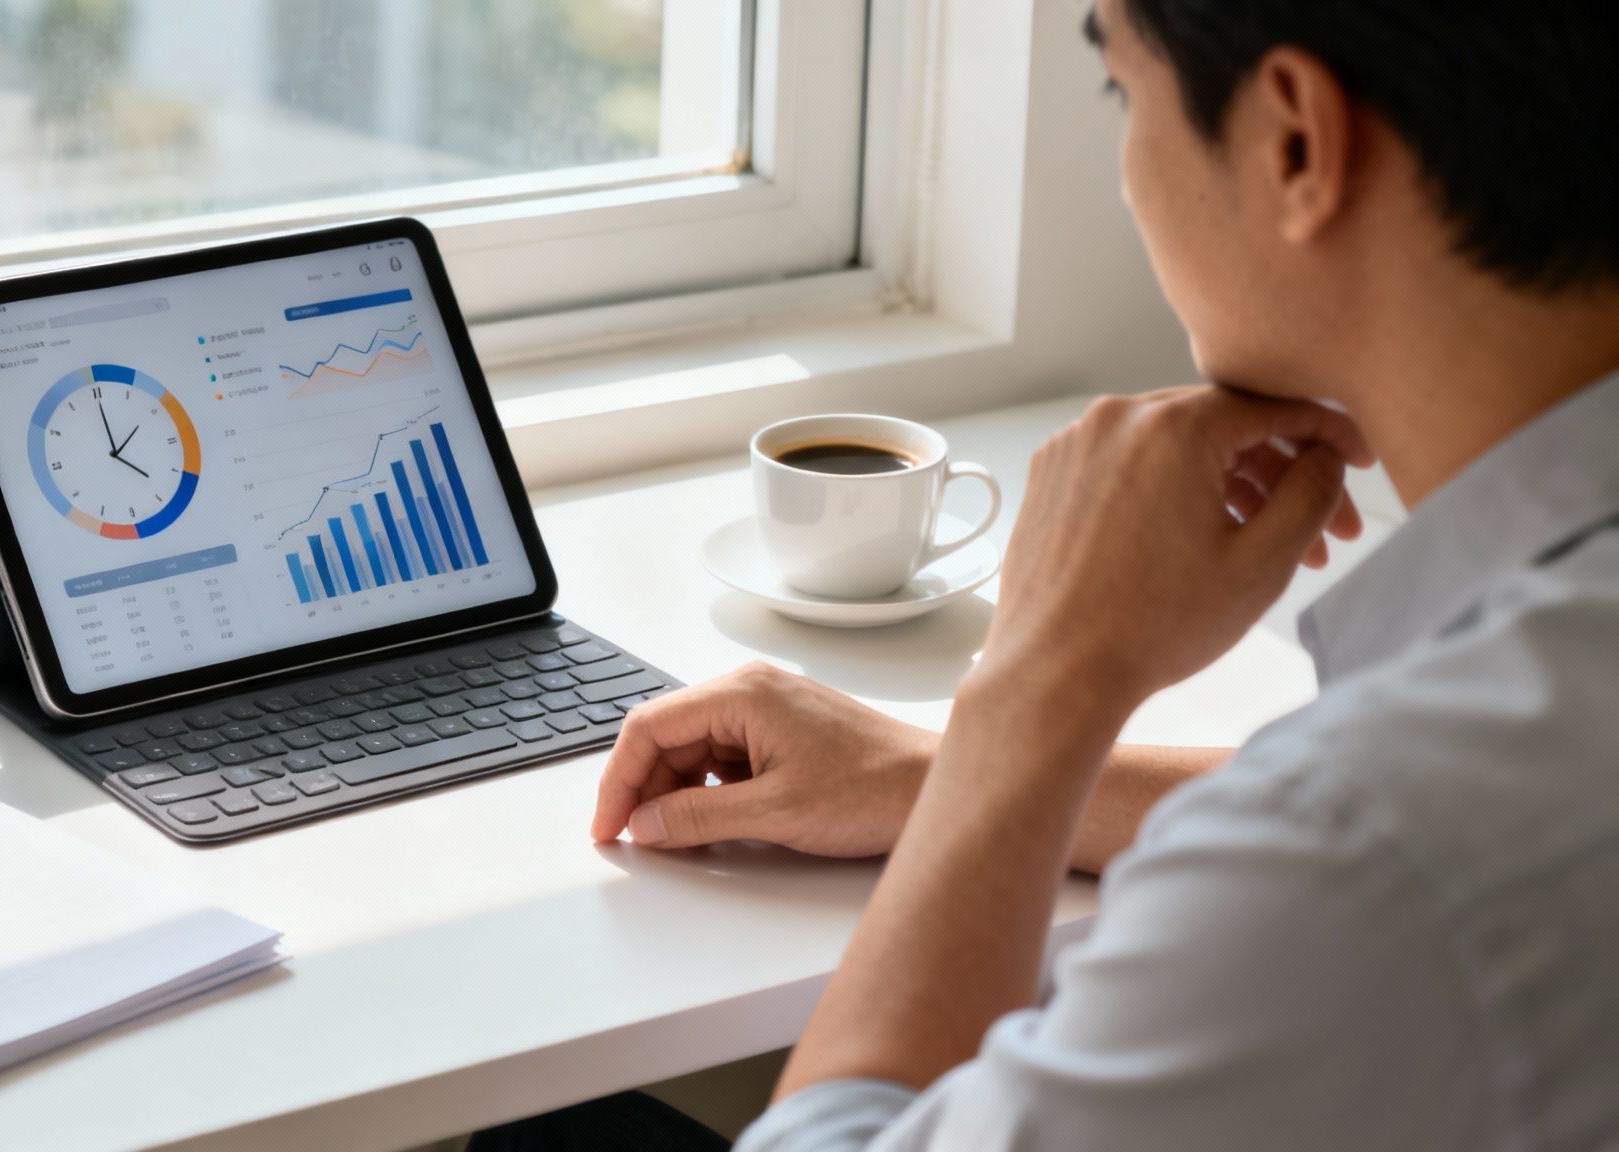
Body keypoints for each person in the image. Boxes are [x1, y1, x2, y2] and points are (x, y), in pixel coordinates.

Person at [471, 0, 1619, 1147]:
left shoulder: (1365, 868)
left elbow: (1358, 841)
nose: (1126, 174)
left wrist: (1039, 674)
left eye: (1122, 93)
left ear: (1293, 145)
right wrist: (936, 772)